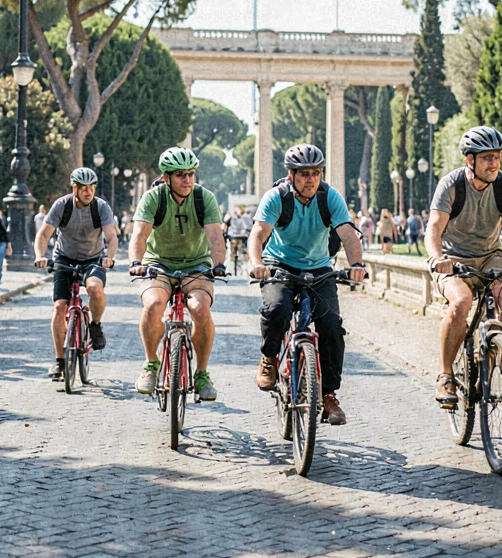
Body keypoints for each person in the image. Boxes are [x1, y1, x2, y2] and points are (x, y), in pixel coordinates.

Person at [427, 126, 502, 407]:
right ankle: (445, 376)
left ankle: (495, 356)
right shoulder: (451, 184)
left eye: (496, 157)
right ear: (469, 160)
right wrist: (437, 258)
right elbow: (434, 226)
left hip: (490, 255)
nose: (494, 163)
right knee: (461, 301)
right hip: (453, 257)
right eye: (486, 158)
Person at [248, 144, 367, 425]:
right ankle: (268, 359)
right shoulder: (276, 197)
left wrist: (357, 265)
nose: (311, 179)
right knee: (277, 308)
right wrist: (257, 264)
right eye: (304, 174)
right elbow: (257, 234)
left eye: (316, 173)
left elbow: (348, 236)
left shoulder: (329, 197)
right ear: (291, 176)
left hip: (319, 267)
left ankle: (328, 395)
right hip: (279, 266)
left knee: (331, 326)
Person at [128, 148, 227, 401]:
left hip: (196, 264)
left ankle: (202, 374)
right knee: (153, 304)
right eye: (180, 175)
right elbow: (139, 234)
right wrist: (136, 261)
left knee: (201, 308)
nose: (187, 180)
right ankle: (151, 365)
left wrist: (218, 264)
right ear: (166, 178)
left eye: (191, 174)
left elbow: (215, 235)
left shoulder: (204, 198)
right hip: (158, 264)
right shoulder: (153, 198)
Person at [34, 168, 118, 382]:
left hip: (93, 258)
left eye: (91, 188)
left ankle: (95, 325)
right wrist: (39, 255)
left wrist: (109, 256)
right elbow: (43, 234)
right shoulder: (62, 206)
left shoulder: (101, 207)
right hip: (64, 257)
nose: (88, 192)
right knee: (59, 306)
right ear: (75, 189)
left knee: (94, 289)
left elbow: (111, 236)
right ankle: (60, 360)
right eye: (84, 188)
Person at [224, 205, 253, 270]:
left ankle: (245, 256)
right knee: (234, 244)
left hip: (240, 235)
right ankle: (233, 253)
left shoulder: (244, 217)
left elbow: (245, 226)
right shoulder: (231, 217)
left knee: (244, 244)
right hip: (234, 234)